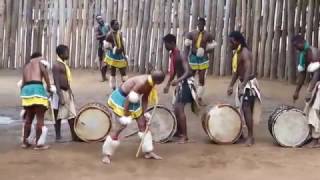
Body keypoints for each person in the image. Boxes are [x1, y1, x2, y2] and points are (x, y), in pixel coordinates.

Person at [102, 71, 165, 164]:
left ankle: (149, 152)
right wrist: (125, 116)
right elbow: (128, 99)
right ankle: (106, 155)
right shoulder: (142, 83)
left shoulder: (151, 82)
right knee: (121, 126)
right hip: (122, 100)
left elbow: (145, 98)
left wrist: (144, 113)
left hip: (133, 101)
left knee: (143, 124)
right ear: (159, 81)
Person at [227, 31, 262, 146]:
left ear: (237, 41)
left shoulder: (245, 53)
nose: (230, 44)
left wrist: (243, 85)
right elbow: (236, 71)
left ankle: (250, 137)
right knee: (240, 108)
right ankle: (241, 134)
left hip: (249, 84)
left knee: (247, 108)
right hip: (242, 82)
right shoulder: (237, 53)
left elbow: (247, 70)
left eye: (231, 42)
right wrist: (231, 85)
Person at [163, 33, 199, 144]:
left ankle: (184, 136)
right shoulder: (173, 54)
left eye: (166, 44)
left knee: (179, 108)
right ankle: (179, 132)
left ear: (172, 43)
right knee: (176, 108)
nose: (165, 46)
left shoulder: (180, 55)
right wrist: (168, 84)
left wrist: (178, 81)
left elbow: (188, 71)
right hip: (181, 83)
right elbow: (173, 72)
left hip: (186, 83)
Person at [292, 35, 320, 148]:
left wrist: (309, 91)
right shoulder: (303, 54)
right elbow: (302, 74)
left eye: (296, 46)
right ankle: (313, 136)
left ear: (301, 43)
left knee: (315, 110)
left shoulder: (313, 52)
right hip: (316, 84)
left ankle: (316, 139)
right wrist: (297, 91)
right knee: (309, 108)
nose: (295, 48)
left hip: (318, 83)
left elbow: (317, 73)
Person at [20, 52, 52, 150]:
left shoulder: (26, 66)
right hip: (37, 89)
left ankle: (25, 143)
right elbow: (45, 75)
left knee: (28, 118)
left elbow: (23, 82)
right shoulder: (40, 63)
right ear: (38, 57)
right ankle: (39, 143)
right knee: (40, 118)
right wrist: (49, 87)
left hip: (26, 90)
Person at [184, 17, 216, 105]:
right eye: (199, 24)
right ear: (197, 24)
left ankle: (199, 97)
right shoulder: (191, 34)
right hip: (193, 57)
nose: (200, 25)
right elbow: (186, 46)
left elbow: (212, 48)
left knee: (201, 78)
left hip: (203, 58)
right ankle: (190, 95)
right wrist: (185, 58)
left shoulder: (208, 35)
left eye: (202, 24)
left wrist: (205, 51)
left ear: (204, 25)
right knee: (191, 77)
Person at [52, 44, 80, 142]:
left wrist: (70, 91)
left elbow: (66, 80)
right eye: (66, 52)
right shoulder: (56, 65)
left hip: (66, 91)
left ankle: (74, 135)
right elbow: (56, 81)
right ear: (60, 54)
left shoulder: (63, 64)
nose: (68, 54)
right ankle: (58, 135)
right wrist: (61, 96)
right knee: (58, 115)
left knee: (71, 115)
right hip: (59, 92)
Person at [104, 19, 128, 90]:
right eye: (116, 24)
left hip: (120, 56)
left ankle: (125, 87)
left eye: (118, 24)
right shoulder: (109, 35)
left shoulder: (120, 33)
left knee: (123, 71)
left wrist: (125, 55)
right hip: (113, 56)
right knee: (113, 72)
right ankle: (113, 88)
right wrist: (113, 50)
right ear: (112, 26)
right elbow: (106, 46)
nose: (118, 25)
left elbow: (122, 45)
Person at [95, 15, 110, 82]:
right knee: (101, 61)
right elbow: (97, 37)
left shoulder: (107, 25)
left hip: (107, 46)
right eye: (98, 19)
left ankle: (104, 75)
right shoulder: (97, 28)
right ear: (97, 21)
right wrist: (105, 35)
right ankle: (103, 76)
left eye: (101, 18)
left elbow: (111, 33)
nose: (100, 20)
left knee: (106, 61)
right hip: (101, 46)